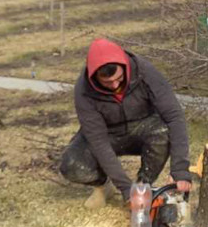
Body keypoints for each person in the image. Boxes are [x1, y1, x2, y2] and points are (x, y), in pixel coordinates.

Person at [60, 37, 192, 206]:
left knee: (162, 132)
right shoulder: (83, 90)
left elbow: (174, 117)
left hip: (143, 127)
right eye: (107, 82)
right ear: (94, 77)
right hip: (108, 134)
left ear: (125, 67)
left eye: (119, 78)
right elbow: (98, 141)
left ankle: (142, 187)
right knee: (72, 164)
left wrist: (180, 169)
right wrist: (124, 188)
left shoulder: (146, 72)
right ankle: (103, 185)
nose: (115, 85)